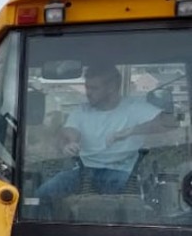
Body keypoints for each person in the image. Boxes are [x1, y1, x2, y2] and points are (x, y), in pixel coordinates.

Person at [37, 63, 175, 200]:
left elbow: (169, 123)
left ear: (112, 88)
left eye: (94, 88)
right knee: (42, 195)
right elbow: (69, 131)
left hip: (122, 172)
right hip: (85, 170)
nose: (88, 93)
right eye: (87, 87)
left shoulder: (135, 108)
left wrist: (132, 131)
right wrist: (69, 143)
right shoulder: (82, 111)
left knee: (109, 202)